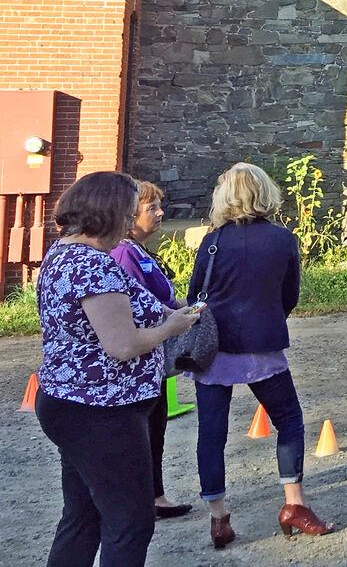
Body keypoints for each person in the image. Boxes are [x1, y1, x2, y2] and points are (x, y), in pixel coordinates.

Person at [35, 171, 201, 567]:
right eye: (127, 215)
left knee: (83, 515)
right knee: (131, 522)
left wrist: (169, 311)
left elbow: (133, 305)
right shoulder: (96, 266)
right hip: (102, 412)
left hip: (67, 401)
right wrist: (170, 328)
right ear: (107, 213)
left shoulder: (60, 254)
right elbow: (123, 345)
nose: (131, 223)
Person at [189, 163, 331, 548]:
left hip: (216, 348)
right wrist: (270, 316)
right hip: (262, 344)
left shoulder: (212, 240)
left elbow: (194, 294)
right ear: (266, 193)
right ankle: (293, 504)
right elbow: (291, 294)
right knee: (288, 420)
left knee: (211, 432)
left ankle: (218, 517)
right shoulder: (283, 239)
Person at [108, 180, 192, 520]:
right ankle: (146, 500)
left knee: (155, 426)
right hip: (139, 359)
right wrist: (176, 315)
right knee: (146, 430)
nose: (160, 213)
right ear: (129, 216)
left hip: (151, 357)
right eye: (152, 208)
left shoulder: (138, 250)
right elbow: (137, 307)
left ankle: (154, 496)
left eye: (160, 206)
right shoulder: (125, 253)